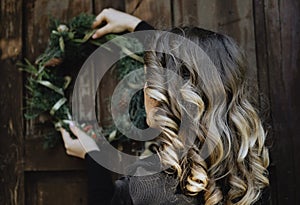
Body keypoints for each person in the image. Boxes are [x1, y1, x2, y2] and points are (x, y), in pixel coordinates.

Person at [60, 8, 270, 205]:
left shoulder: (143, 187)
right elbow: (199, 70)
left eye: (147, 79)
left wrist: (93, 156)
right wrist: (137, 25)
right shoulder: (248, 169)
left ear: (160, 95)